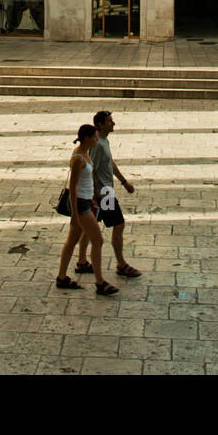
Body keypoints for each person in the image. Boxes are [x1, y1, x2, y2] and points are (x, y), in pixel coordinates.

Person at [73, 111, 141, 280]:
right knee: (119, 224)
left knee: (90, 227)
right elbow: (91, 170)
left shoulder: (103, 141)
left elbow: (109, 162)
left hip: (103, 191)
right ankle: (121, 264)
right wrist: (96, 194)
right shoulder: (97, 145)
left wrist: (124, 182)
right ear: (101, 125)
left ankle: (82, 260)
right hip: (104, 193)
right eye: (109, 121)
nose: (113, 123)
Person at [56, 124, 118, 296]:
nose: (97, 140)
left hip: (86, 202)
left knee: (72, 241)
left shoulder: (86, 153)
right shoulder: (78, 159)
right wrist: (75, 215)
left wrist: (93, 198)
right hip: (80, 205)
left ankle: (61, 276)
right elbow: (73, 188)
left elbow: (88, 180)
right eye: (95, 137)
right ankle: (100, 282)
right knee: (97, 240)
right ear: (87, 138)